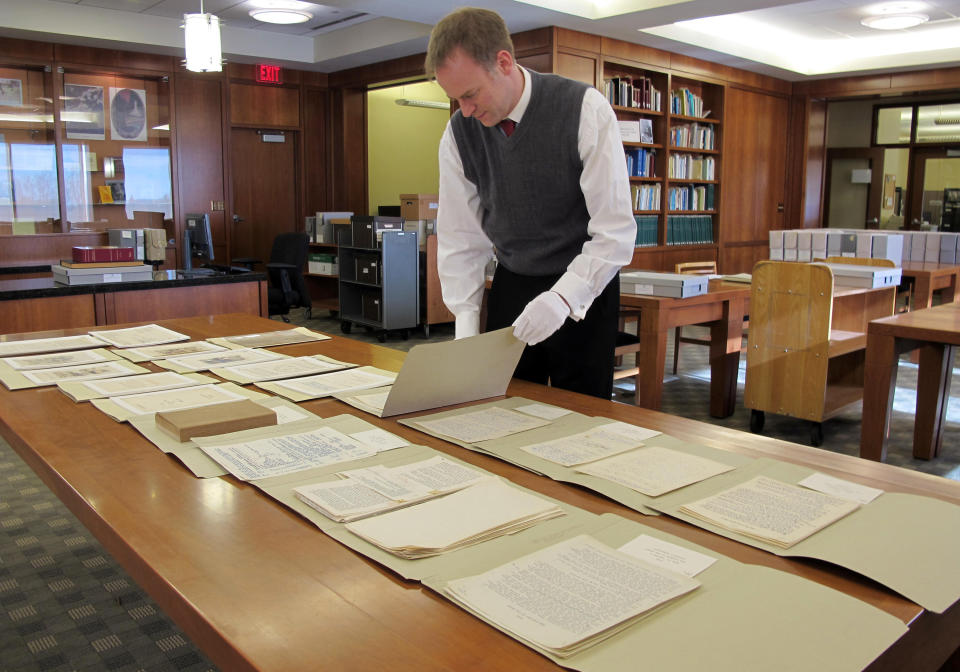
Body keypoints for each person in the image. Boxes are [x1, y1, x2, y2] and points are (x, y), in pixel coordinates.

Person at [425, 7, 636, 399]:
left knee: (583, 419)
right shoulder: (459, 135)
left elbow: (616, 231)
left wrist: (562, 297)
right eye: (455, 99)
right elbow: (460, 239)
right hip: (513, 284)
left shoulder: (584, 110)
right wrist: (467, 326)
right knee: (506, 409)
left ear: (503, 63)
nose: (465, 110)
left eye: (470, 94)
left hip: (584, 290)